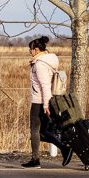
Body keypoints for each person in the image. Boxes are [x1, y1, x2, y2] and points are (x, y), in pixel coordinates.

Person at [22, 36, 72, 168]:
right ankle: (64, 147)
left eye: (31, 49)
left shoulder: (40, 65)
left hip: (39, 102)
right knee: (43, 132)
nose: (30, 52)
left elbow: (44, 85)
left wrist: (45, 105)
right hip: (44, 100)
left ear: (36, 49)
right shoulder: (47, 61)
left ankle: (35, 160)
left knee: (35, 131)